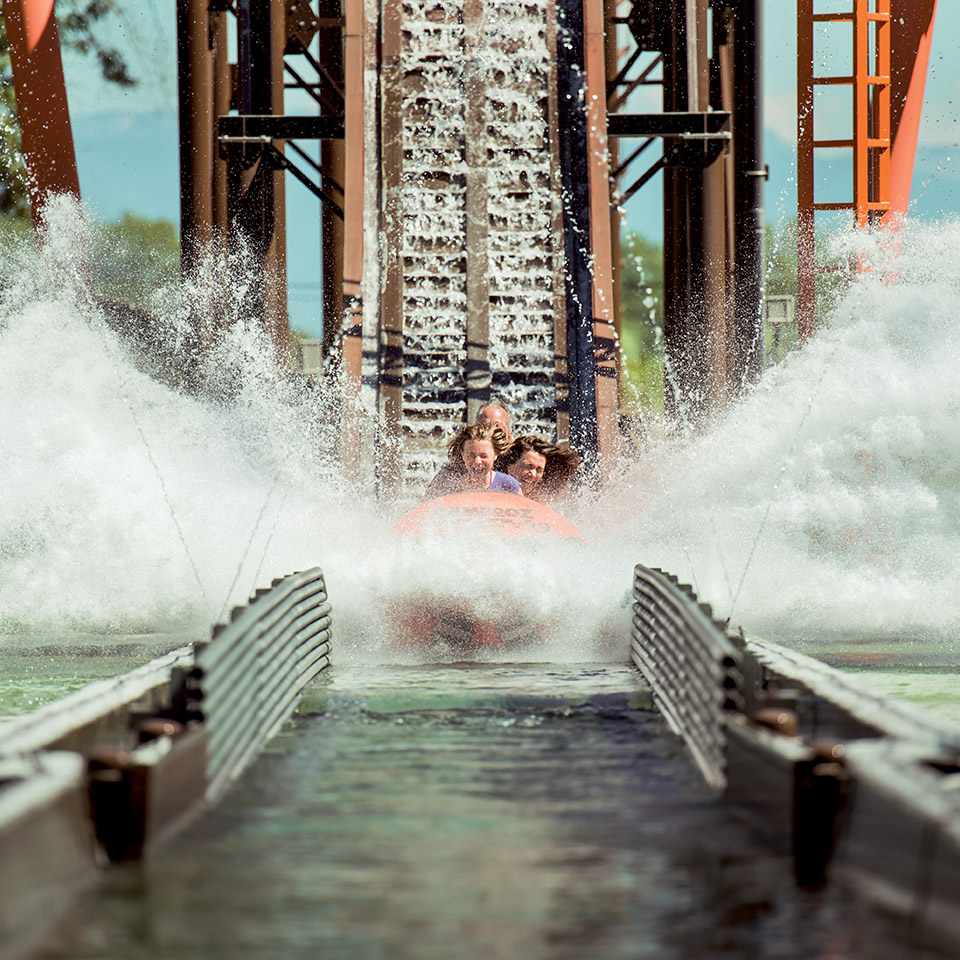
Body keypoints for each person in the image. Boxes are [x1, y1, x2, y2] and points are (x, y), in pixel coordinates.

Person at [425, 421, 521, 498]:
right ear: (462, 455)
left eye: (483, 456)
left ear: (495, 455)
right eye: (471, 455)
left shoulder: (509, 485)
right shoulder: (452, 486)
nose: (477, 462)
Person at [497, 435, 580, 503]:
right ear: (510, 466)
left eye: (539, 470)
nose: (533, 474)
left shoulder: (541, 498)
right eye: (528, 466)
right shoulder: (493, 487)